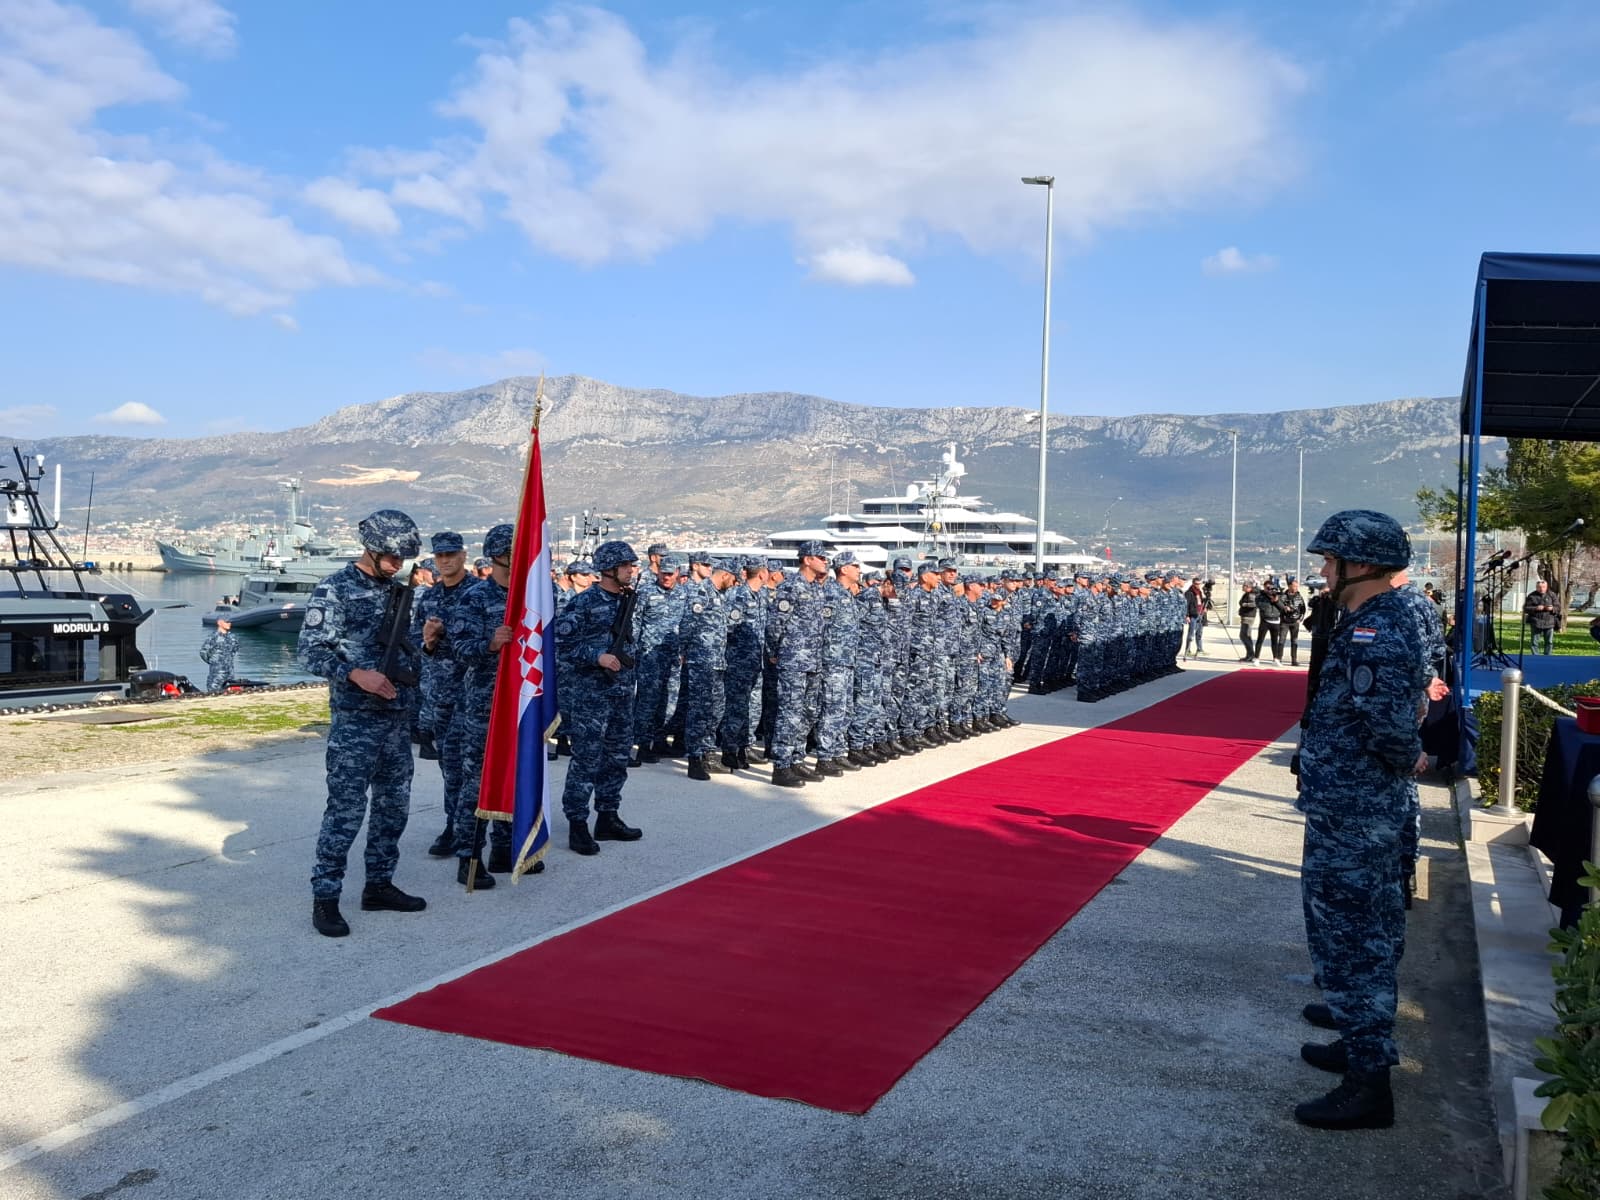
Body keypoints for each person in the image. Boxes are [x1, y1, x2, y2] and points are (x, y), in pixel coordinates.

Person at [1294, 509, 1428, 1130]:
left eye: (1331, 559)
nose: (1324, 570)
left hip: (1358, 811)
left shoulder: (1381, 627)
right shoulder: (1364, 620)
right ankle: (1357, 1040)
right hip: (1345, 805)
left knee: (1355, 937)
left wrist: (1399, 763)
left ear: (1363, 564)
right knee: (1347, 932)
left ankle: (1369, 1083)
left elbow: (1391, 727)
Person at [298, 509, 427, 938]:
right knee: (346, 810)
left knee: (393, 807)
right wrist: (355, 673)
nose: (397, 564)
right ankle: (326, 896)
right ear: (370, 549)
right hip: (356, 720)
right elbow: (310, 650)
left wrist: (426, 642)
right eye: (391, 557)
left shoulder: (399, 592)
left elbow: (407, 648)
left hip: (397, 717)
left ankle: (379, 885)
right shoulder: (335, 589)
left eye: (402, 558)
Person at [552, 540, 645, 854]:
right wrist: (596, 657)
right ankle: (577, 823)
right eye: (626, 566)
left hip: (621, 691)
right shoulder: (584, 602)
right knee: (587, 759)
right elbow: (561, 643)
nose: (631, 570)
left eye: (632, 565)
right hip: (591, 694)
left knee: (617, 756)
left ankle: (608, 815)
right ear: (609, 569)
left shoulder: (628, 599)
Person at [445, 524, 520, 888]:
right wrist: (490, 644)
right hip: (484, 707)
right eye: (513, 550)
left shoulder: (534, 597)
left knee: (516, 777)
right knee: (477, 782)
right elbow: (459, 650)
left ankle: (504, 850)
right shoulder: (474, 598)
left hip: (523, 704)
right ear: (498, 555)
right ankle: (469, 858)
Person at [411, 531, 473, 855]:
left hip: (477, 695)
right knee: (449, 764)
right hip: (442, 695)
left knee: (476, 766)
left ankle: (482, 827)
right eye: (440, 556)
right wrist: (428, 642)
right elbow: (415, 642)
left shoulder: (479, 594)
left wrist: (447, 634)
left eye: (451, 554)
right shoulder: (429, 598)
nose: (445, 560)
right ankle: (454, 824)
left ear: (463, 555)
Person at [198, 618, 238, 693]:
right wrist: (214, 662)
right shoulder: (213, 637)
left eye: (230, 622)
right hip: (217, 673)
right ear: (219, 622)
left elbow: (234, 650)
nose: (229, 623)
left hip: (230, 672)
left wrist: (227, 660)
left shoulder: (232, 637)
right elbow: (203, 653)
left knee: (230, 691)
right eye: (226, 622)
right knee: (214, 691)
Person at [1524, 579, 1559, 654]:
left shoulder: (1552, 595)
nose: (1541, 589)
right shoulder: (1531, 596)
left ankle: (1547, 656)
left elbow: (1558, 607)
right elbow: (1526, 608)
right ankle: (1535, 656)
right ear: (1536, 587)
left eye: (1543, 587)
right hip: (1536, 622)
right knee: (1534, 642)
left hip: (1549, 622)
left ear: (1546, 587)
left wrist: (1552, 608)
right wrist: (1536, 608)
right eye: (1539, 587)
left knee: (1549, 642)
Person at [1280, 577, 1308, 667]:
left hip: (1295, 622)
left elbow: (1303, 609)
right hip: (1284, 622)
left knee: (1294, 641)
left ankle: (1294, 660)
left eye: (1297, 586)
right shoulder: (1283, 596)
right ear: (1289, 586)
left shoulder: (1299, 596)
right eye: (1294, 586)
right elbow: (1278, 607)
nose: (1296, 588)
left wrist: (1300, 619)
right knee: (1281, 640)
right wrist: (1284, 609)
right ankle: (1279, 658)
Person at [1183, 579, 1205, 657]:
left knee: (1199, 633)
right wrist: (1187, 615)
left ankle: (1200, 649)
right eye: (1196, 584)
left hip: (1200, 614)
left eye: (1199, 584)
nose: (1198, 585)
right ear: (1193, 583)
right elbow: (1186, 605)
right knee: (1191, 634)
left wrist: (1204, 608)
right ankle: (1187, 650)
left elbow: (1201, 603)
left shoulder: (1199, 592)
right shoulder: (1189, 593)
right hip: (1193, 615)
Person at [1237, 583, 1258, 661]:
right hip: (1245, 616)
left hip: (1248, 617)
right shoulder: (1247, 594)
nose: (1242, 587)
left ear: (1248, 587)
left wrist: (1245, 604)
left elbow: (1254, 604)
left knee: (1245, 636)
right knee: (1244, 636)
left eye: (1244, 586)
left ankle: (1251, 654)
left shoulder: (1251, 594)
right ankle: (1249, 654)